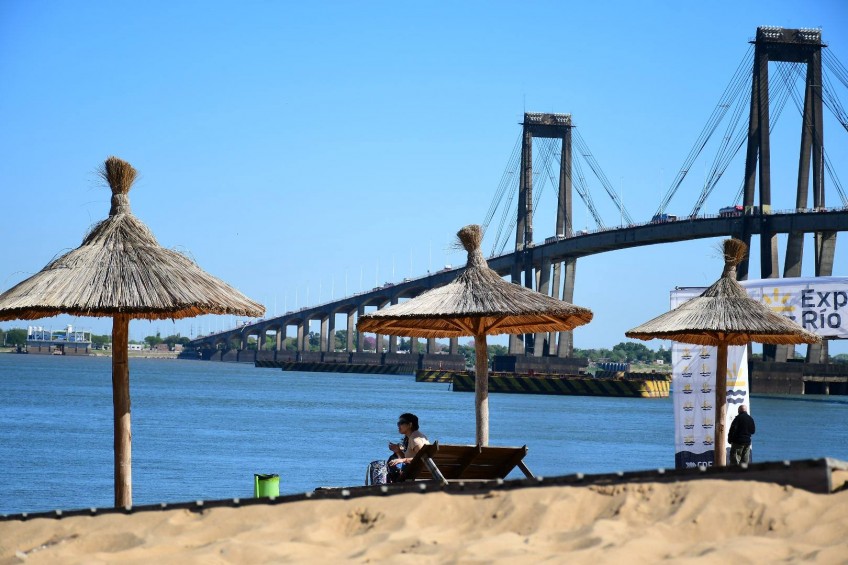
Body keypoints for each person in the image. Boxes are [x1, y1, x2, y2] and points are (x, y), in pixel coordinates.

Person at [386, 413, 428, 481]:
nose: (398, 426)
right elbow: (411, 459)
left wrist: (402, 460)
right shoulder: (414, 436)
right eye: (398, 423)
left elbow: (423, 459)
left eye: (401, 423)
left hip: (417, 477)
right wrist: (398, 451)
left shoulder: (416, 439)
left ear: (410, 425)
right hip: (414, 475)